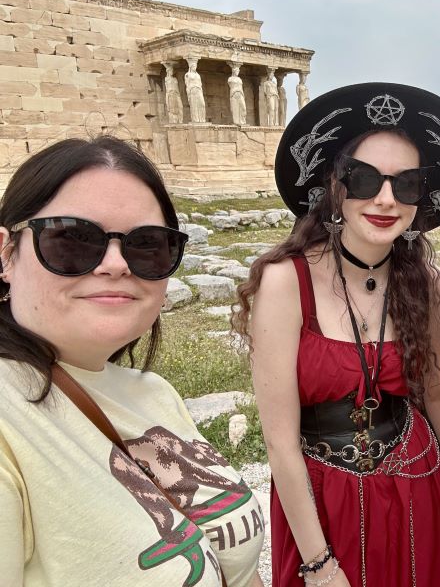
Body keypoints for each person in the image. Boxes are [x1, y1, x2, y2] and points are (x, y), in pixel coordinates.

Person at [233, 82, 440, 587]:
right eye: (364, 178)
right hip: (321, 498)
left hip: (415, 480)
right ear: (335, 185)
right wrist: (318, 564)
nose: (385, 199)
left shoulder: (429, 285)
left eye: (406, 184)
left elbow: (433, 392)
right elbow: (280, 442)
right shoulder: (286, 282)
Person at [0, 136, 265, 587]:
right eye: (72, 239)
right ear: (6, 253)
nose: (115, 264)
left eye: (147, 244)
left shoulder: (154, 393)